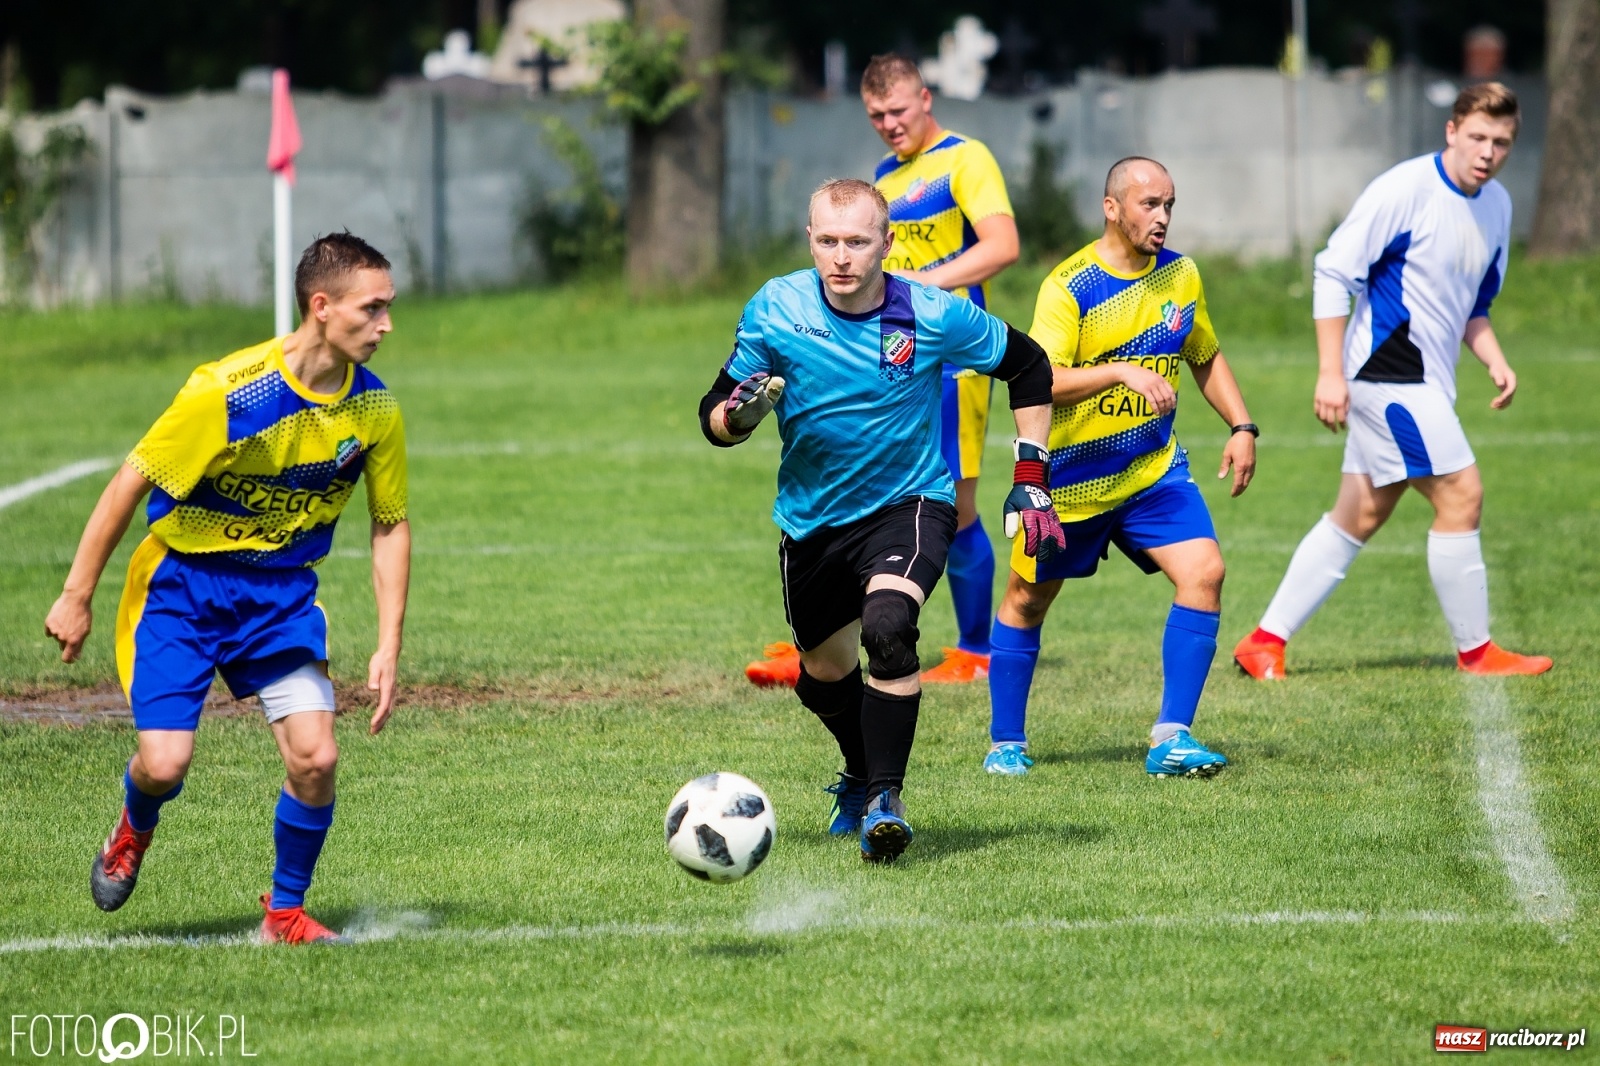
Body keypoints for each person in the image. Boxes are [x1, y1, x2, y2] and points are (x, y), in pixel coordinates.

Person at [43, 233, 411, 944]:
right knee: (164, 763)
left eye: (389, 309)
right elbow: (132, 481)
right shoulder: (228, 389)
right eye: (372, 309)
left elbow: (390, 524)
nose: (386, 325)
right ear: (322, 306)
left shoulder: (374, 412)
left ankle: (285, 914)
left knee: (317, 757)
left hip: (279, 599)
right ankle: (132, 828)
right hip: (180, 590)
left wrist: (390, 642)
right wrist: (76, 593)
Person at [701, 178, 1062, 862]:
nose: (842, 257)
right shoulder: (776, 307)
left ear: (887, 243)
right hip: (811, 523)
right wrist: (735, 420)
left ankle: (884, 801)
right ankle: (861, 772)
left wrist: (1032, 475)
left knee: (889, 631)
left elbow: (1028, 365)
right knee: (821, 672)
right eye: (828, 241)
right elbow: (716, 410)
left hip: (914, 505)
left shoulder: (932, 313)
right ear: (810, 239)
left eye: (858, 242)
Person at [1233, 83, 1550, 680]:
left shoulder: (1498, 205)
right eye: (1477, 136)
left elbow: (1472, 305)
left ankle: (1263, 642)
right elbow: (1333, 272)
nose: (1487, 151)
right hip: (1388, 376)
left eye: (1501, 142)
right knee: (1462, 493)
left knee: (1360, 513)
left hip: (1425, 381)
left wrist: (1494, 357)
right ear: (1452, 131)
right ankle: (1478, 653)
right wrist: (1330, 374)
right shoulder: (1405, 190)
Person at [743, 54, 1021, 688]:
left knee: (958, 501)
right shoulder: (883, 179)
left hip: (947, 361)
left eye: (898, 111)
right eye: (876, 116)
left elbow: (1003, 246)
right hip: (882, 360)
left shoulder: (964, 158)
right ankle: (827, 635)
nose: (890, 124)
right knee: (858, 495)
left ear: (925, 98)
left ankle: (976, 650)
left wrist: (918, 287)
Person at [984, 157, 1258, 778]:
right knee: (1027, 598)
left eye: (1168, 206)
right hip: (1069, 485)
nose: (1161, 218)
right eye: (1148, 205)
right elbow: (1038, 379)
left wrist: (1241, 426)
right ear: (1112, 208)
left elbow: (1204, 354)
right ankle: (1006, 743)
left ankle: (1172, 738)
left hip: (1152, 472)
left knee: (1205, 572)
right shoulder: (1070, 286)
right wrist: (1120, 370)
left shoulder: (1181, 276)